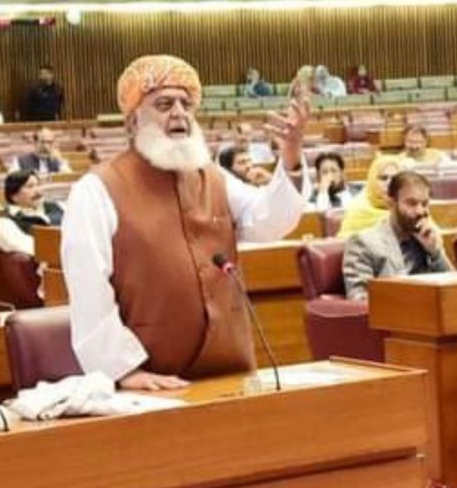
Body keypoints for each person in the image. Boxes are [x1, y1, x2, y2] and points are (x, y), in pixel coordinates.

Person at [61, 54, 309, 391]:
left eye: (185, 104)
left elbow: (270, 221)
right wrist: (123, 371)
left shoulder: (214, 178)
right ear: (133, 121)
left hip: (229, 367)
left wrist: (291, 158)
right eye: (163, 104)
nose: (178, 113)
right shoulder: (97, 190)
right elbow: (89, 290)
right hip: (150, 379)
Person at [342, 171, 453, 300]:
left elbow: (452, 291)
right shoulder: (363, 243)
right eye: (411, 203)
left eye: (424, 204)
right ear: (391, 203)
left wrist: (435, 253)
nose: (420, 211)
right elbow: (359, 301)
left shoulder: (428, 238)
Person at [0, 170, 64, 257]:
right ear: (14, 196)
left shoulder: (58, 206)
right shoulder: (6, 221)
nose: (38, 190)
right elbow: (29, 246)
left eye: (38, 185)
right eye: (30, 186)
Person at [336, 154, 406, 239]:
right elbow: (345, 242)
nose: (389, 183)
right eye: (383, 178)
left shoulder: (410, 206)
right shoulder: (358, 209)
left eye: (394, 179)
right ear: (373, 181)